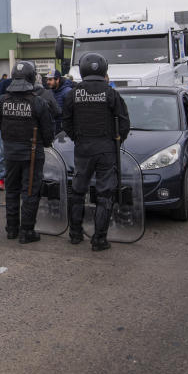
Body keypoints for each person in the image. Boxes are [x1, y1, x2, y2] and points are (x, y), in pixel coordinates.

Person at [62, 52, 130, 251]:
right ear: (104, 70)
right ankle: (99, 239)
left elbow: (65, 121)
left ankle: (75, 234)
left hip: (83, 148)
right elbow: (124, 122)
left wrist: (78, 137)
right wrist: (114, 142)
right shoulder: (111, 93)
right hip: (105, 149)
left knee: (77, 190)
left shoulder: (72, 93)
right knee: (105, 193)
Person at [0, 61, 54, 244]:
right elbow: (48, 131)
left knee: (11, 191)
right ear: (32, 77)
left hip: (10, 154)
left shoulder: (2, 100)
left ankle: (11, 229)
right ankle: (26, 231)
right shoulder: (38, 101)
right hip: (32, 154)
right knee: (30, 192)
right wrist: (45, 142)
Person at [44, 70, 73, 134]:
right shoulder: (49, 92)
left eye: (50, 79)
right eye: (47, 80)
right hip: (53, 129)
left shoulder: (68, 92)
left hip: (64, 131)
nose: (47, 82)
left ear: (57, 80)